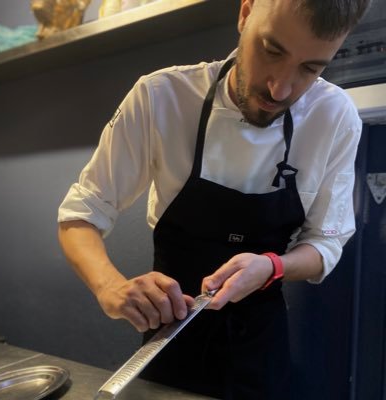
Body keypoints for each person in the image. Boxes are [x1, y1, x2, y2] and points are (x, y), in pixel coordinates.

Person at [57, 0, 371, 398]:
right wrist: (110, 288)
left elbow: (326, 241)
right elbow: (80, 214)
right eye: (272, 50)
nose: (281, 88)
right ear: (244, 14)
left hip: (262, 351)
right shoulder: (161, 97)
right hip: (169, 344)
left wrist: (273, 266)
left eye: (311, 68)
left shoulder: (335, 116)